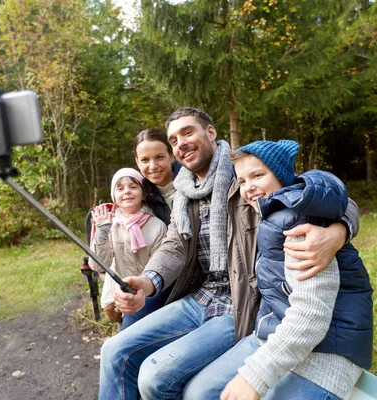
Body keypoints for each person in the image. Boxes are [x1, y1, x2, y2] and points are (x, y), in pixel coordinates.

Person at [98, 108, 360, 400]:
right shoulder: (185, 191)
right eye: (173, 140)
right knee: (114, 349)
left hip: (240, 302)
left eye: (188, 132)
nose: (180, 143)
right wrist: (147, 281)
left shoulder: (243, 173)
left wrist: (338, 230)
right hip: (200, 295)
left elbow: (328, 197)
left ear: (210, 133)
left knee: (155, 378)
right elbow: (174, 244)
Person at [183, 140, 373, 400]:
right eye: (242, 181)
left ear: (282, 176)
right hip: (276, 330)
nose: (249, 188)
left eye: (258, 175)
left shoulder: (299, 223)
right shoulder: (268, 215)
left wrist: (255, 377)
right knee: (199, 392)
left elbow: (310, 316)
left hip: (326, 351)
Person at [89, 168, 167, 328]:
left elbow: (160, 267)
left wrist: (142, 291)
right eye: (120, 188)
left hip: (150, 292)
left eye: (133, 186)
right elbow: (97, 266)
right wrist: (102, 233)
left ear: (143, 194)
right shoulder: (108, 224)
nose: (127, 192)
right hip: (120, 290)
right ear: (114, 197)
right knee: (123, 327)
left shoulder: (157, 226)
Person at [133, 128, 181, 226]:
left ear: (172, 156)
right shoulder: (140, 196)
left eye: (159, 157)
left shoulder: (194, 182)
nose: (153, 166)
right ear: (137, 162)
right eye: (145, 160)